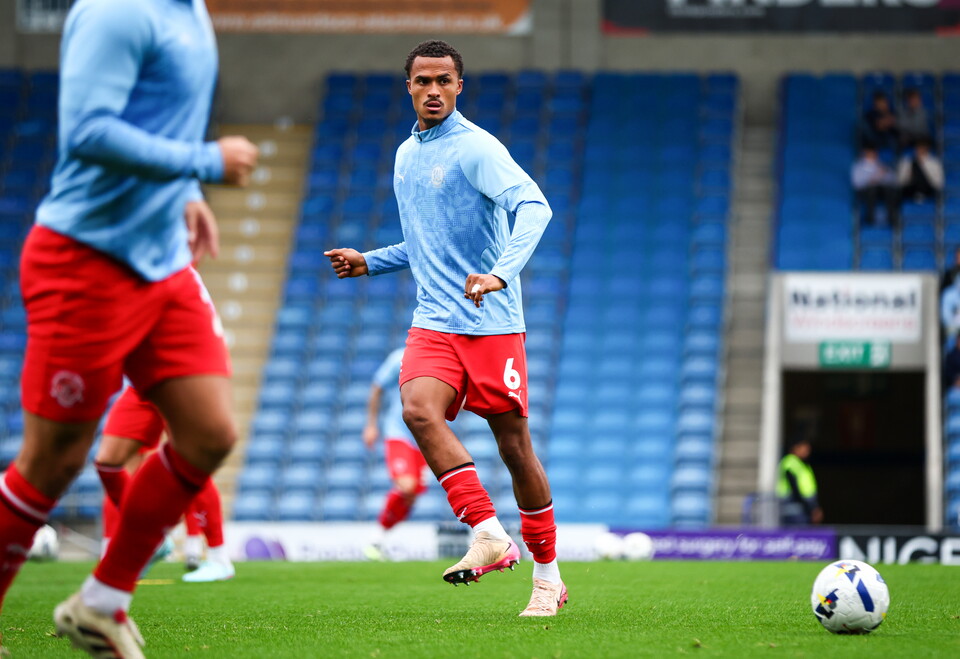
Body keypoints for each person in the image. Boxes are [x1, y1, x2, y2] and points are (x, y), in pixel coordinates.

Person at [0, 0, 258, 655]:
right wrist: (200, 163)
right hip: (85, 260)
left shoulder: (190, 8)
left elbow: (161, 111)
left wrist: (186, 195)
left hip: (162, 261)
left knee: (209, 433)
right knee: (51, 462)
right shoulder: (118, 10)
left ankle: (101, 601)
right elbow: (87, 131)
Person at [325, 40, 566, 617]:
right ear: (407, 87)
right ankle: (486, 529)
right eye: (422, 81)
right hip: (434, 321)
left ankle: (547, 575)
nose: (433, 90)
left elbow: (535, 207)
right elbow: (426, 243)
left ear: (460, 87)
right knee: (416, 409)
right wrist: (371, 260)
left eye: (444, 81)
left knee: (514, 447)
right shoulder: (406, 155)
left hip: (491, 324)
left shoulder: (477, 148)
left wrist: (501, 274)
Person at [96, 385, 235, 582]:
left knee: (191, 460)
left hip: (176, 382)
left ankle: (219, 559)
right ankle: (143, 545)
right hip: (141, 385)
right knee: (111, 462)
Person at [362, 348, 430, 560]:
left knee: (412, 495)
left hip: (425, 437)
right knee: (407, 485)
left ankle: (379, 540)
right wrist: (371, 425)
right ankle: (375, 538)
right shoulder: (400, 357)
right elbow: (377, 388)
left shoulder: (444, 357)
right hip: (398, 433)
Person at [777, 437, 823, 526]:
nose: (807, 450)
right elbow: (795, 488)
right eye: (804, 447)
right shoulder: (790, 463)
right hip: (794, 508)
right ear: (795, 448)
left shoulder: (802, 464)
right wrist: (811, 508)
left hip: (801, 507)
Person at [851, 145, 899, 226]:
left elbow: (893, 180)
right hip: (865, 191)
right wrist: (872, 179)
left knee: (890, 190)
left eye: (874, 153)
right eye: (870, 153)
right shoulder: (858, 167)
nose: (872, 155)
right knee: (872, 190)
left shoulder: (881, 165)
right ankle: (870, 218)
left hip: (881, 190)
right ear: (865, 154)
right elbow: (856, 183)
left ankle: (891, 218)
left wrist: (884, 174)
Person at [898, 138, 944, 204]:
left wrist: (924, 168)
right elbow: (900, 181)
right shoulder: (907, 161)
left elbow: (939, 182)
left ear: (927, 149)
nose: (920, 150)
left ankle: (920, 195)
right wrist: (908, 175)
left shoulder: (934, 163)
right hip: (910, 188)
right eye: (918, 148)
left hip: (928, 188)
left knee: (920, 173)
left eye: (922, 147)